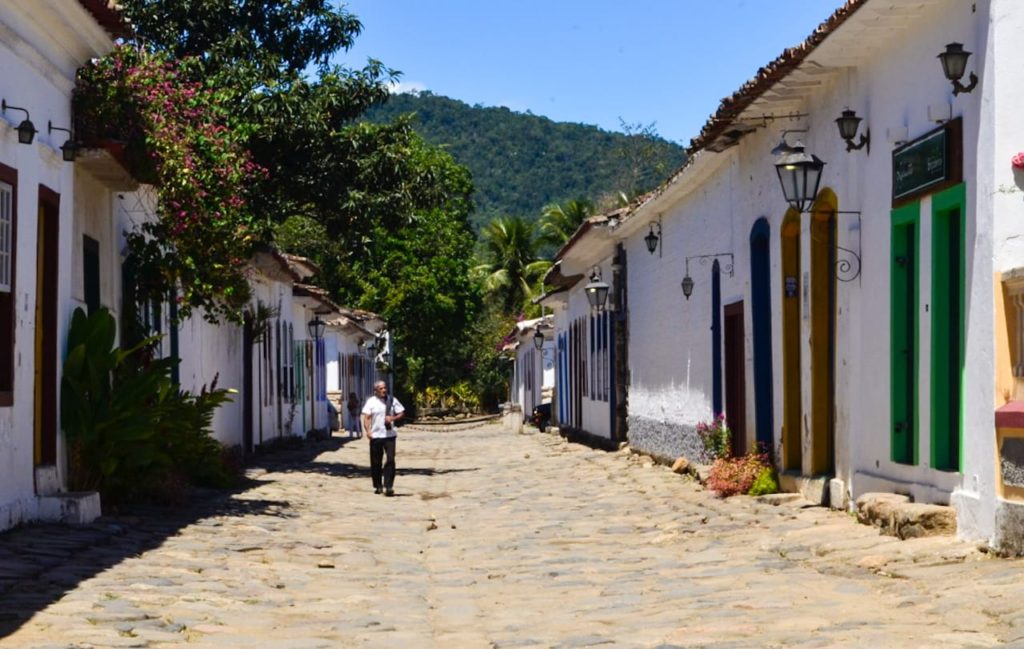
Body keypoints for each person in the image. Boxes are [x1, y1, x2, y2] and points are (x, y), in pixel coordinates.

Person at [362, 381, 405, 496]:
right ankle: (378, 485)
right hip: (376, 436)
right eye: (381, 388)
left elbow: (401, 412)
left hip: (390, 435)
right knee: (376, 462)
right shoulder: (371, 402)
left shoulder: (392, 400)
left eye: (385, 388)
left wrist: (393, 418)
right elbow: (366, 417)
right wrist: (368, 431)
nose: (384, 390)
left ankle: (389, 486)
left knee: (390, 460)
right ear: (376, 390)